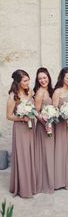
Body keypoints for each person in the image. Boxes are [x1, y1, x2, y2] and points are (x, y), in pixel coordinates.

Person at [7, 69, 36, 198]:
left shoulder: (30, 91)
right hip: (20, 127)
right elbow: (8, 116)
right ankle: (23, 188)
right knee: (23, 156)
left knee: (30, 155)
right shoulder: (13, 96)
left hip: (31, 127)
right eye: (25, 80)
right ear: (18, 82)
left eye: (28, 79)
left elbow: (34, 108)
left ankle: (31, 184)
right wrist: (22, 118)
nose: (28, 82)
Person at [33, 67, 55, 193]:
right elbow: (36, 111)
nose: (42, 80)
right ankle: (43, 183)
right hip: (44, 127)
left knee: (49, 153)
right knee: (44, 154)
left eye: (44, 77)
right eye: (40, 78)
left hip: (51, 125)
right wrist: (45, 123)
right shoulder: (40, 92)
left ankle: (50, 180)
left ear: (48, 78)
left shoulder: (50, 90)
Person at [52, 67, 68, 190]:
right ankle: (59, 181)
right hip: (60, 125)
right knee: (60, 151)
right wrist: (64, 113)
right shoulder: (57, 92)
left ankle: (67, 180)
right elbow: (54, 110)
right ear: (63, 78)